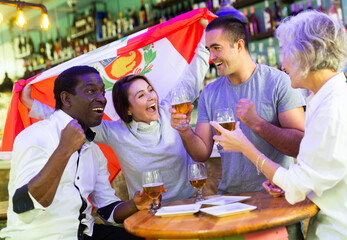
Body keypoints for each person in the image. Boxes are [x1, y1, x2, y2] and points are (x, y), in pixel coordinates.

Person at [210, 11, 347, 239]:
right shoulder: (327, 100)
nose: (283, 64)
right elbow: (316, 177)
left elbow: (298, 183)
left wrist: (246, 147)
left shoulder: (334, 108)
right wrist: (287, 184)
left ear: (306, 54)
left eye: (286, 53)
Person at [20, 21, 209, 204]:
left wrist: (206, 38)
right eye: (141, 95)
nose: (151, 97)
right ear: (128, 108)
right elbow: (71, 117)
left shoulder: (170, 111)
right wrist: (32, 104)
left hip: (188, 204)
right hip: (150, 211)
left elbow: (192, 78)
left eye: (150, 90)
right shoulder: (115, 132)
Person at [0, 66, 153, 240]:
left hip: (85, 234)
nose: (102, 99)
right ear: (66, 98)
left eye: (102, 92)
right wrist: (64, 150)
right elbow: (23, 206)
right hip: (42, 237)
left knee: (144, 236)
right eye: (91, 91)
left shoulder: (94, 151)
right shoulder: (35, 135)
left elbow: (107, 208)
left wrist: (135, 204)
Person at [170, 15, 305, 195]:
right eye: (209, 49)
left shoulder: (280, 82)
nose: (211, 57)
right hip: (229, 200)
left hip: (275, 195)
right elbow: (201, 153)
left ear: (239, 45)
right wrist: (185, 130)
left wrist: (257, 123)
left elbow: (300, 146)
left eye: (216, 48)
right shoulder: (209, 93)